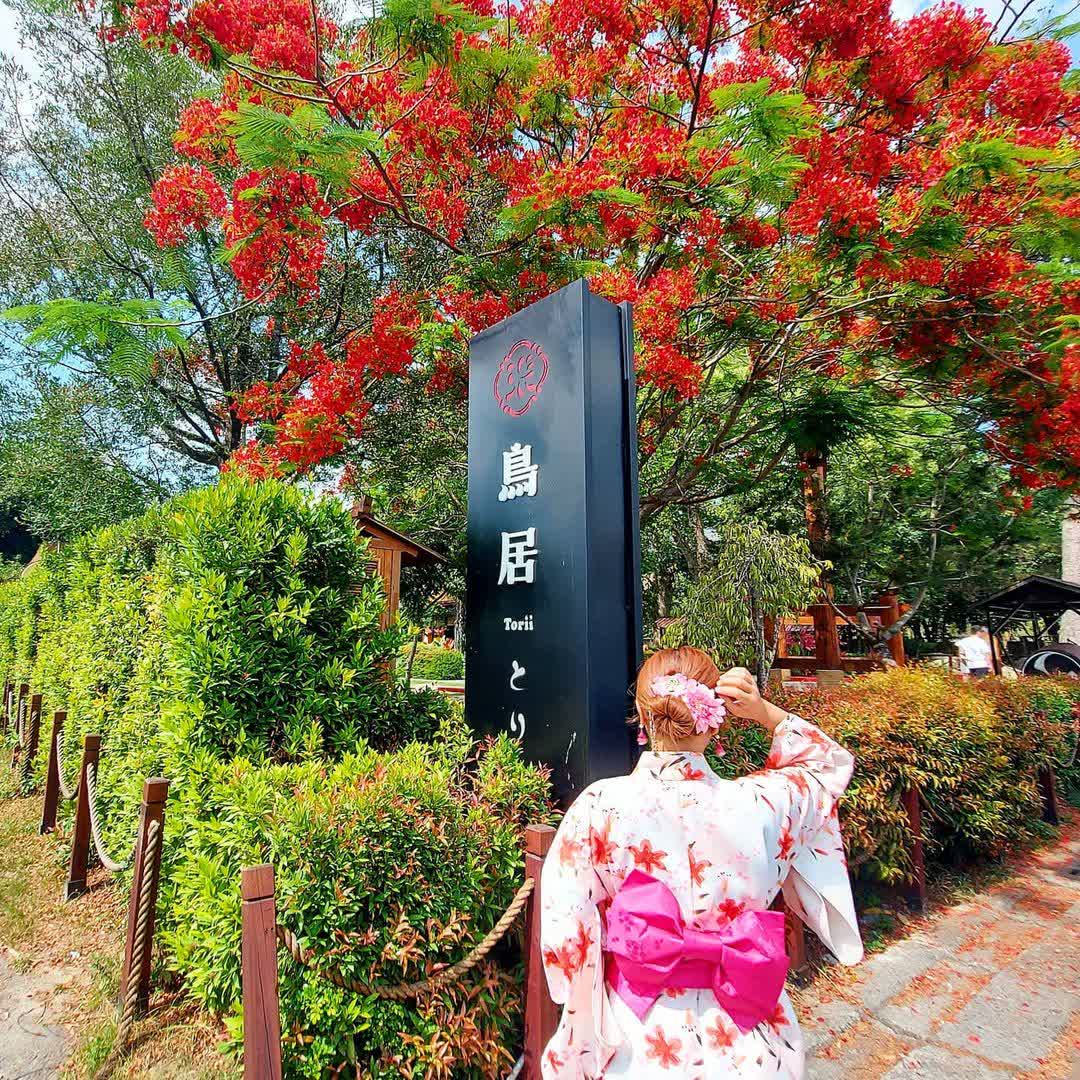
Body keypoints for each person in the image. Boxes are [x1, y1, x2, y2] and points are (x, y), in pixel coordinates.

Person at [539, 647, 862, 1079]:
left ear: (640, 710)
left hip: (639, 1030)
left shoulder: (601, 805)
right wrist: (766, 712)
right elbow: (826, 766)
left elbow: (567, 935)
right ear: (718, 714)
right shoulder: (763, 803)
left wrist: (579, 1006)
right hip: (747, 1028)